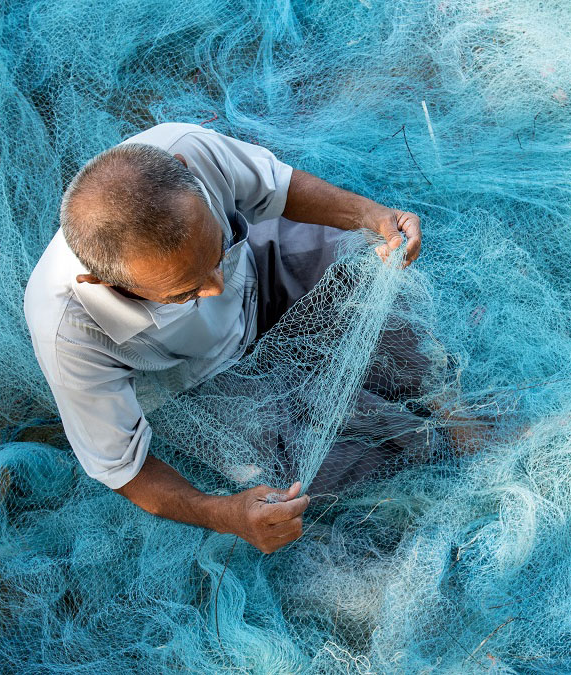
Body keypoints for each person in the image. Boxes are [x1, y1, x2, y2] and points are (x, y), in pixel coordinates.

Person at [24, 122, 423, 554]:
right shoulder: (67, 333)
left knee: (365, 268)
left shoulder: (186, 149)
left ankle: (440, 402)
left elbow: (279, 188)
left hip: (265, 270)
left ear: (187, 173)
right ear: (101, 282)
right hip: (198, 377)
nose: (214, 287)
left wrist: (370, 215)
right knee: (310, 473)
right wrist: (225, 513)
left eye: (215, 249)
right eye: (183, 292)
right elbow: (124, 469)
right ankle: (418, 446)